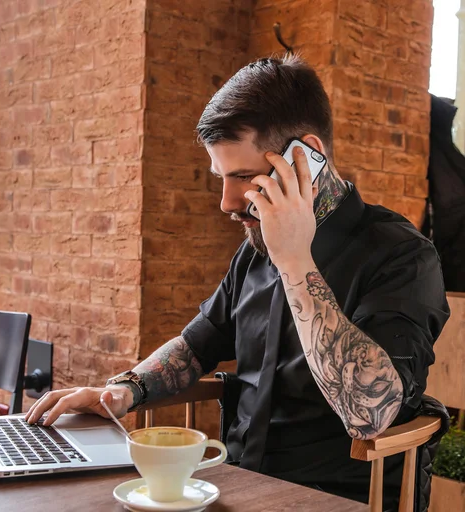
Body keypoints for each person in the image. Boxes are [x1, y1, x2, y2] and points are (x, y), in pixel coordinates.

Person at [26, 55, 450, 508]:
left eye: (244, 177)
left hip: (340, 499)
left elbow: (370, 415)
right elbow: (196, 345)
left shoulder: (404, 256)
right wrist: (122, 390)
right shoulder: (254, 250)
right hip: (236, 482)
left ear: (307, 156)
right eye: (221, 178)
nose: (228, 202)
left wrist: (294, 259)